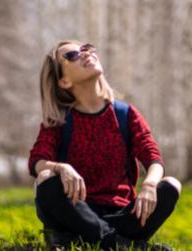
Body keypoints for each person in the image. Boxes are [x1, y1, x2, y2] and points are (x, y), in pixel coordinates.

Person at [28, 40, 180, 250]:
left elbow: (153, 157)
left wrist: (149, 185)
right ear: (63, 81)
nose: (85, 54)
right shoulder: (59, 121)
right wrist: (60, 167)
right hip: (76, 213)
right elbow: (36, 162)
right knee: (45, 179)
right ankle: (126, 246)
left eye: (87, 48)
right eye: (72, 55)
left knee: (171, 185)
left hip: (122, 215)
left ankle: (95, 241)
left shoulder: (125, 114)